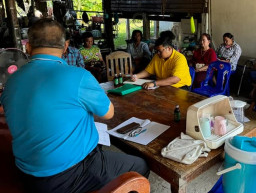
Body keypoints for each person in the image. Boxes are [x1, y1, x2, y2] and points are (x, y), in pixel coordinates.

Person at [0, 19, 149, 193]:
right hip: (71, 173)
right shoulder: (77, 76)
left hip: (27, 174)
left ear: (28, 47)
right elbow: (109, 113)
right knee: (140, 165)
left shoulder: (12, 82)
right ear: (66, 47)